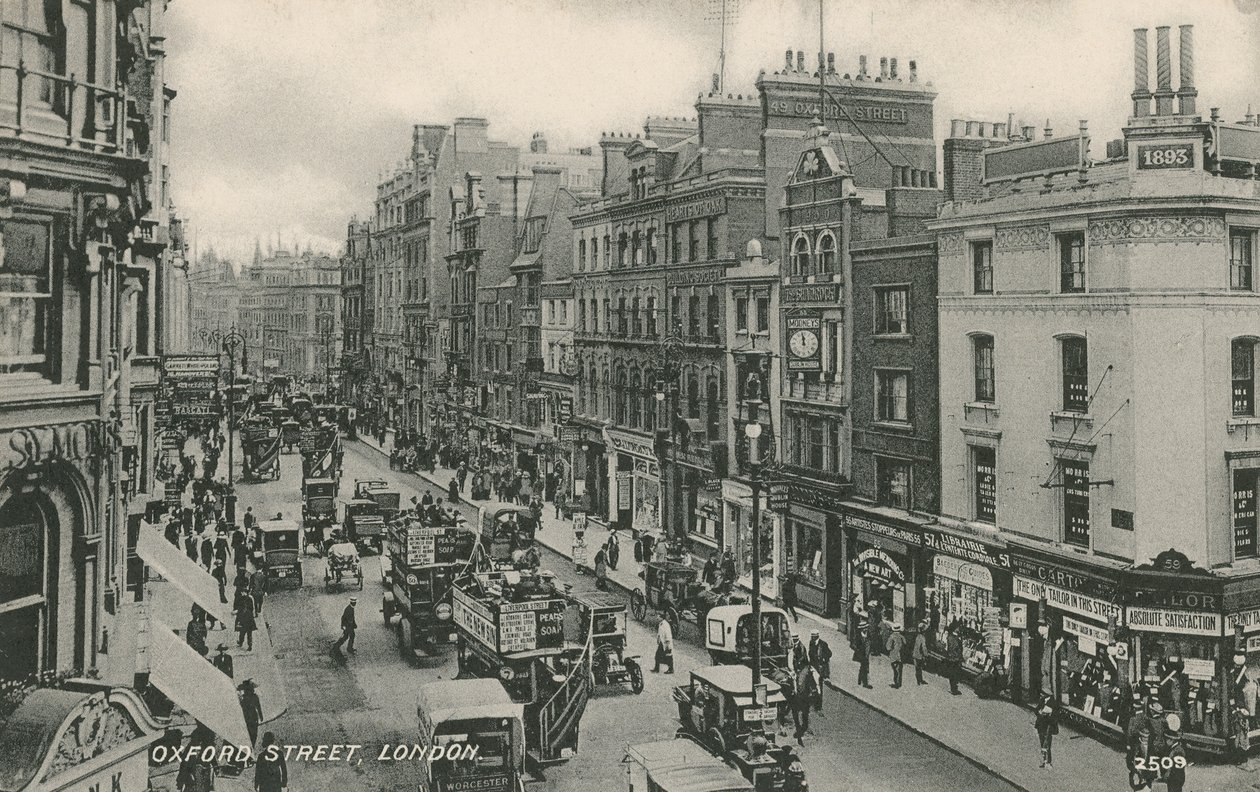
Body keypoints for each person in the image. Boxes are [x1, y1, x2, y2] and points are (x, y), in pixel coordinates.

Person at [807, 629, 832, 711]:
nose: (812, 638)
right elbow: (810, 654)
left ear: (817, 636)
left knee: (819, 687)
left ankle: (818, 705)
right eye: (811, 636)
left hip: (820, 669)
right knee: (812, 685)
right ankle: (814, 702)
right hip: (813, 667)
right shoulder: (811, 643)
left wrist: (824, 659)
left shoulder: (823, 644)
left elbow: (829, 653)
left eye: (813, 636)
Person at [792, 663, 816, 745]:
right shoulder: (805, 673)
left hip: (802, 696)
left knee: (803, 712)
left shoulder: (804, 673)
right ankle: (804, 726)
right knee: (804, 712)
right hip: (803, 696)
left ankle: (804, 726)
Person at [1034, 694, 1058, 769]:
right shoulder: (1042, 699)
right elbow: (1036, 710)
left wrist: (1046, 716)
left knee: (1047, 743)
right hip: (1040, 725)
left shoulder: (1053, 702)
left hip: (1048, 726)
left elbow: (1054, 716)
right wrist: (1040, 714)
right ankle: (1044, 761)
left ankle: (1048, 762)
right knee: (1042, 743)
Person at [238, 679, 264, 747]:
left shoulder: (244, 698)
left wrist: (261, 716)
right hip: (250, 718)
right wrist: (261, 717)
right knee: (252, 735)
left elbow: (258, 706)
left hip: (248, 718)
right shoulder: (249, 697)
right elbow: (258, 707)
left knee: (251, 734)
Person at [852, 616, 871, 689]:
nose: (866, 629)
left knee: (863, 667)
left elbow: (869, 643)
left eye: (866, 627)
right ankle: (865, 684)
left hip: (866, 654)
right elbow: (853, 645)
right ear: (861, 629)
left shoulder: (867, 634)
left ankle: (860, 680)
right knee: (864, 667)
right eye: (865, 628)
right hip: (860, 654)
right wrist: (858, 650)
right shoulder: (858, 636)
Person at [886, 623, 907, 689]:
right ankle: (898, 683)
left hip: (893, 655)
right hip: (901, 656)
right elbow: (905, 644)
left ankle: (896, 683)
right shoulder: (902, 637)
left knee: (895, 670)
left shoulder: (891, 636)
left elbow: (888, 647)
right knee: (899, 670)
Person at [945, 622, 964, 695]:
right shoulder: (953, 638)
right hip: (954, 658)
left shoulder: (951, 637)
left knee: (953, 674)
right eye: (958, 627)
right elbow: (955, 648)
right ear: (955, 629)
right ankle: (954, 689)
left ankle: (953, 688)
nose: (959, 629)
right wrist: (959, 656)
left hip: (952, 658)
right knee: (954, 674)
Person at [912, 620, 930, 685]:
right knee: (919, 668)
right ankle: (919, 680)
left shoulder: (917, 636)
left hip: (915, 654)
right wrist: (926, 655)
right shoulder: (923, 638)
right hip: (919, 655)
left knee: (917, 668)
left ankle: (919, 680)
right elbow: (923, 647)